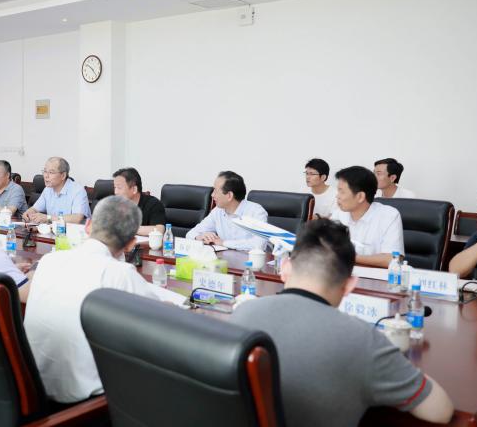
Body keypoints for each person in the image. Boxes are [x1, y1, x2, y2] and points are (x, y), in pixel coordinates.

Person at [231, 219, 454, 426]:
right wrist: (394, 362)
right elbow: (440, 411)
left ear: (285, 268)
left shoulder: (243, 314)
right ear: (349, 285)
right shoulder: (363, 339)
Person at [24, 195, 174, 404]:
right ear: (131, 244)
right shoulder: (120, 273)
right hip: (84, 402)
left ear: (88, 226)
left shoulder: (49, 260)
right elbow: (161, 321)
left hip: (33, 386)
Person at [328, 166, 404, 267]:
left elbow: (394, 259)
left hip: (375, 275)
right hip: (341, 272)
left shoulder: (389, 215)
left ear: (360, 197)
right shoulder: (339, 213)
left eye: (341, 191)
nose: (337, 196)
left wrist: (349, 257)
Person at [185, 171, 268, 251]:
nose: (212, 195)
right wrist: (200, 237)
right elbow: (190, 234)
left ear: (229, 196)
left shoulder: (256, 212)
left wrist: (224, 243)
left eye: (215, 191)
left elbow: (259, 245)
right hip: (226, 258)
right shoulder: (218, 211)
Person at [22, 157, 92, 224]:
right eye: (45, 171)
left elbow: (77, 219)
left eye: (51, 172)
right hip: (54, 231)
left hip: (76, 231)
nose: (46, 176)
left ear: (63, 175)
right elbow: (35, 209)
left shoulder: (78, 190)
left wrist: (48, 218)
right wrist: (28, 213)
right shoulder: (48, 189)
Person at [112, 167, 165, 235]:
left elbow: (159, 230)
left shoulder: (154, 204)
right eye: (115, 187)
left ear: (134, 189)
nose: (115, 192)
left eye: (119, 188)